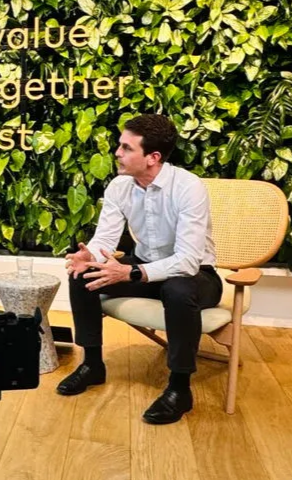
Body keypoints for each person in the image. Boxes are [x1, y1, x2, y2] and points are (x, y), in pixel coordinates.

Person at [59, 113, 222, 425]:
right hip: (144, 267)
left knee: (176, 288)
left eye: (126, 148)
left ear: (153, 157)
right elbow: (105, 239)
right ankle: (92, 364)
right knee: (83, 274)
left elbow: (188, 260)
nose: (117, 153)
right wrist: (89, 255)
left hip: (196, 275)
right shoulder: (119, 186)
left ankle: (179, 387)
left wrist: (131, 273)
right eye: (120, 145)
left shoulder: (188, 187)